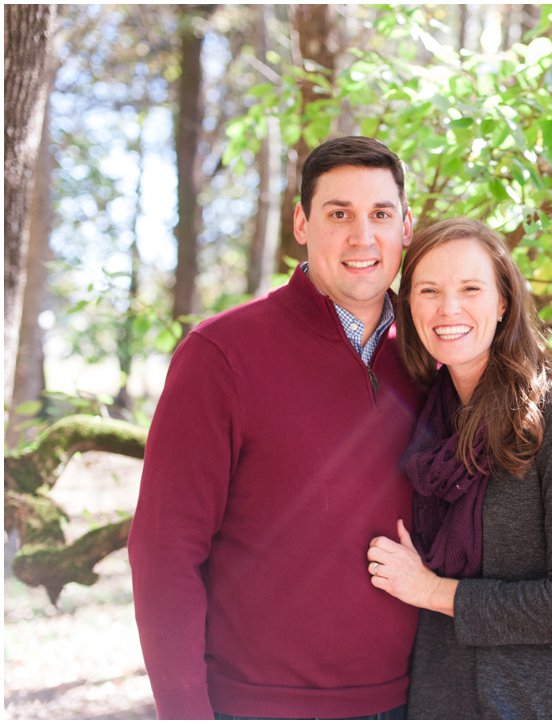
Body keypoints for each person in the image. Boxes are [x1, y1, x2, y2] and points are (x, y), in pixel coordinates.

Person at [128, 136, 424, 719]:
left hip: (408, 702)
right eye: (338, 214)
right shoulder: (222, 354)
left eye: (380, 214)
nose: (362, 236)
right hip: (258, 705)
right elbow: (165, 551)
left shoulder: (433, 358)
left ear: (406, 227)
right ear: (301, 223)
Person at [366, 218, 552, 719]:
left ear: (503, 301)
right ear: (409, 305)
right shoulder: (425, 422)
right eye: (429, 290)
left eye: (470, 289)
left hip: (543, 701)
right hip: (443, 697)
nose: (448, 308)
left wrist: (430, 590)